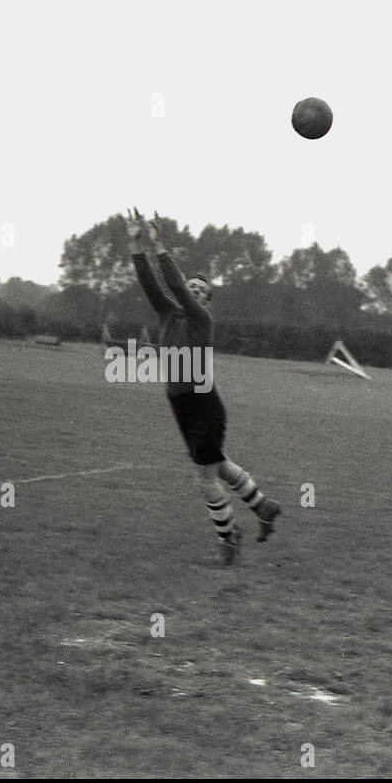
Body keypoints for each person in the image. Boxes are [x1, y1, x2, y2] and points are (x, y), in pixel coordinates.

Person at [126, 208, 280, 566]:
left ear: (206, 301)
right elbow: (152, 285)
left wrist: (158, 243)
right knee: (216, 464)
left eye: (199, 291)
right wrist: (136, 246)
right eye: (191, 288)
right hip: (180, 403)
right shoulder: (168, 314)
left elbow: (175, 284)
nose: (192, 292)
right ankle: (264, 507)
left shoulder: (200, 318)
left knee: (205, 475)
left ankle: (229, 539)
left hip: (203, 403)